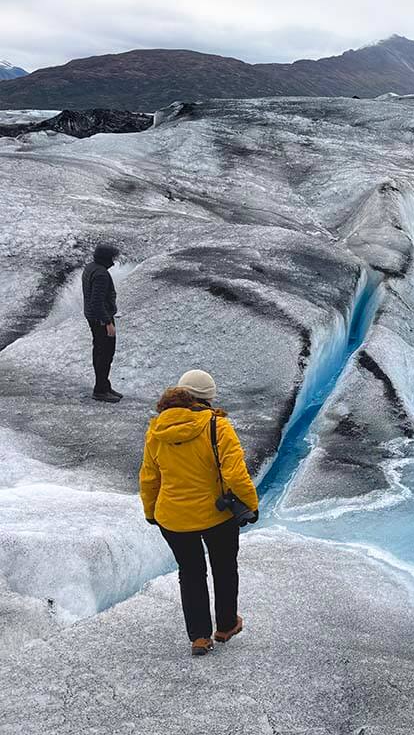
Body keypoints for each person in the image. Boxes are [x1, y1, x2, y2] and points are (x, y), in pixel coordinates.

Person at [139, 370, 259, 656]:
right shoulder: (217, 425)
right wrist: (251, 504)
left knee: (191, 573)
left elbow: (148, 477)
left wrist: (150, 511)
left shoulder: (157, 429)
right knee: (224, 568)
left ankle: (199, 638)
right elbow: (235, 473)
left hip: (173, 518)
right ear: (208, 398)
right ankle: (227, 625)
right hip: (216, 516)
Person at [82, 243, 121, 403]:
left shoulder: (90, 267)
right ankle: (100, 390)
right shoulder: (101, 274)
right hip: (101, 319)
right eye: (112, 258)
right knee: (105, 354)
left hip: (94, 317)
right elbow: (97, 302)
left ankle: (104, 385)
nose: (114, 261)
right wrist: (107, 322)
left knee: (99, 351)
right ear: (106, 258)